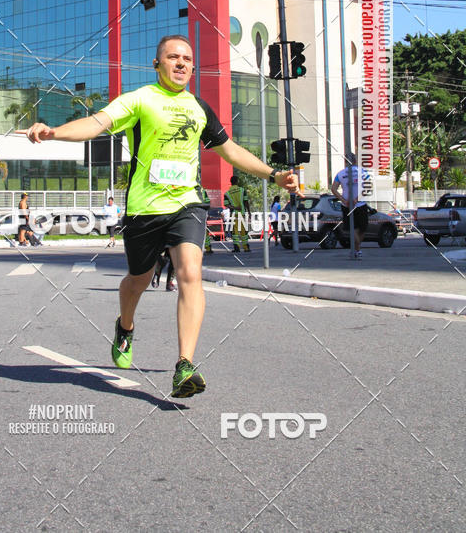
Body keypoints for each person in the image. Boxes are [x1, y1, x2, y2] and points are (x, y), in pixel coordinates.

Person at [27, 34, 298, 398]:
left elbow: (230, 150)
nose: (181, 63)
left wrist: (273, 175)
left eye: (187, 58)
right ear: (157, 64)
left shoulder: (199, 108)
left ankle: (185, 365)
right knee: (137, 280)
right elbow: (96, 123)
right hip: (144, 209)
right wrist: (54, 133)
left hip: (187, 205)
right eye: (173, 57)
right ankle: (125, 326)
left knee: (190, 273)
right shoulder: (140, 99)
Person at [331, 153, 371, 259]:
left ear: (345, 162)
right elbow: (368, 187)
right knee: (362, 228)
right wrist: (357, 199)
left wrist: (343, 200)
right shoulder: (363, 172)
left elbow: (333, 189)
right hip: (360, 203)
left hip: (346, 204)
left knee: (352, 228)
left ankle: (356, 249)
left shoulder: (340, 174)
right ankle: (357, 250)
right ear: (355, 161)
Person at [224, 175, 251, 252]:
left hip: (233, 214)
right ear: (237, 181)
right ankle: (246, 248)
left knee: (235, 231)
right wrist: (249, 212)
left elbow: (226, 204)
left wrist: (234, 208)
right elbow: (246, 202)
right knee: (243, 231)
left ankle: (236, 247)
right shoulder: (242, 190)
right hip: (242, 214)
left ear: (231, 182)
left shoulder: (227, 193)